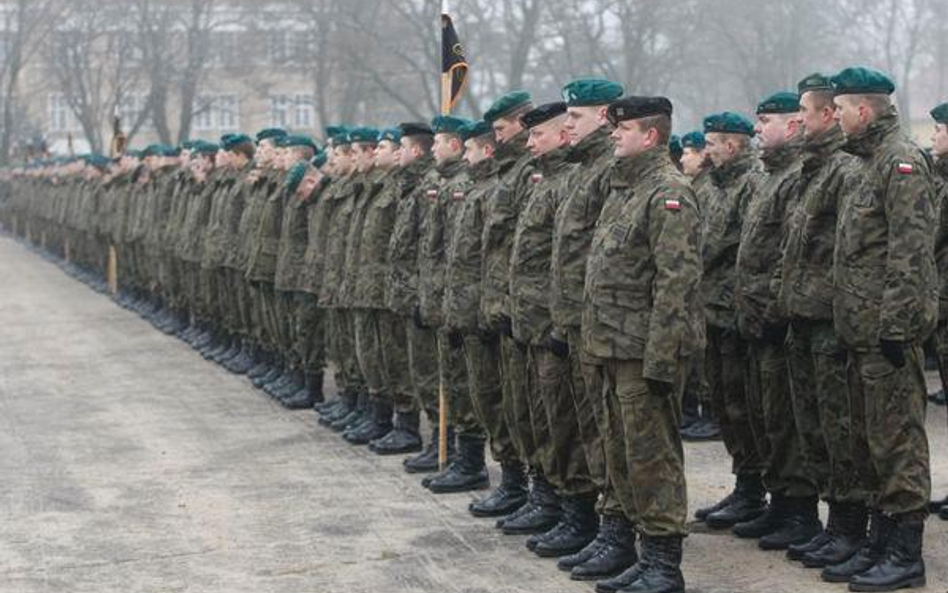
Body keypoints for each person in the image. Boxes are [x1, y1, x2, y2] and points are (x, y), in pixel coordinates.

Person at [823, 66, 935, 591]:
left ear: (863, 111)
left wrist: (897, 326)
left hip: (885, 333)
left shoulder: (901, 161)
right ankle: (880, 541)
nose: (836, 117)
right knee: (871, 442)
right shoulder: (866, 162)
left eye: (841, 109)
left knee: (898, 442)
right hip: (859, 329)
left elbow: (912, 254)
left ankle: (906, 553)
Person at [586, 94, 702, 593]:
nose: (614, 134)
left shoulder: (667, 192)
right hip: (613, 346)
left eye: (623, 128)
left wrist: (660, 360)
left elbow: (675, 283)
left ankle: (663, 563)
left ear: (650, 135)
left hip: (643, 352)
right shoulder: (625, 188)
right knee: (623, 454)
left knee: (652, 457)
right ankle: (637, 547)